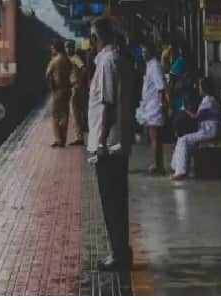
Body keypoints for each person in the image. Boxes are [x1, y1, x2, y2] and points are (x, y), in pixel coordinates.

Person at [88, 17, 134, 271]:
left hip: (110, 145)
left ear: (96, 38)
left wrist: (102, 140)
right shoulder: (119, 59)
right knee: (118, 199)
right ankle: (121, 250)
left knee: (111, 202)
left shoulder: (107, 62)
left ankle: (118, 254)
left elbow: (107, 104)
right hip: (119, 141)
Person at [170, 77, 221, 179]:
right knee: (182, 139)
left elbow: (196, 117)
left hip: (209, 130)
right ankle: (176, 167)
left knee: (184, 140)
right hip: (206, 129)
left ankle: (180, 171)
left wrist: (185, 110)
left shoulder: (209, 100)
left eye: (200, 87)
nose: (198, 89)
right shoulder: (208, 99)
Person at [135, 44, 167, 174]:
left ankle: (157, 165)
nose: (143, 54)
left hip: (154, 105)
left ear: (151, 51)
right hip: (149, 105)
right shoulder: (150, 65)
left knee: (155, 137)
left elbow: (161, 87)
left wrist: (160, 106)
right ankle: (157, 164)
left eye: (145, 51)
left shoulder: (154, 66)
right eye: (142, 51)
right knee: (153, 136)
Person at [46, 39, 72, 147]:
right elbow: (70, 70)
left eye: (52, 48)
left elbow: (47, 74)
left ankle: (58, 140)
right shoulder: (67, 59)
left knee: (55, 115)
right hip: (67, 89)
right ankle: (64, 139)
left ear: (56, 48)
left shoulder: (54, 61)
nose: (51, 50)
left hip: (57, 90)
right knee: (65, 114)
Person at [66, 40, 87, 145]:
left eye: (69, 47)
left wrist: (79, 80)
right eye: (66, 47)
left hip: (75, 87)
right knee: (76, 113)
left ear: (73, 48)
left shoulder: (75, 58)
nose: (67, 49)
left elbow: (83, 68)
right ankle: (79, 136)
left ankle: (80, 138)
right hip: (74, 87)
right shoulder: (69, 58)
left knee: (75, 113)